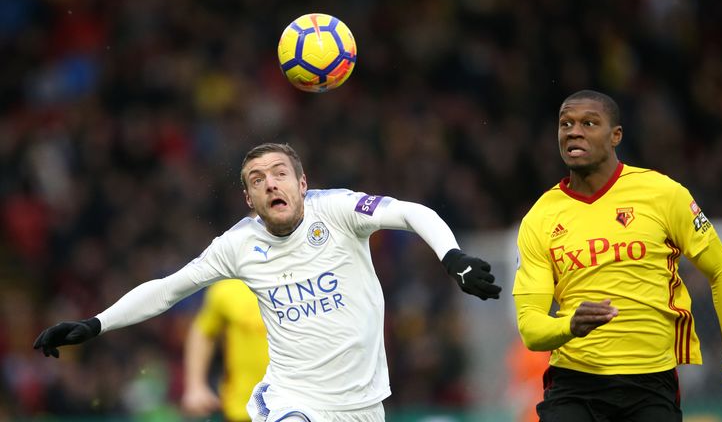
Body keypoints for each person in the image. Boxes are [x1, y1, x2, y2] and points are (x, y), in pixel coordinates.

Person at [33, 142, 501, 422]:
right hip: (291, 399)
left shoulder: (338, 211)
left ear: (302, 183)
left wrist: (452, 256)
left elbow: (409, 211)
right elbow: (168, 288)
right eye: (258, 179)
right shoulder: (237, 245)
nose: (271, 184)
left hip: (364, 403)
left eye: (280, 174)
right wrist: (96, 324)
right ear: (248, 198)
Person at [512, 89, 722, 421]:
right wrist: (571, 325)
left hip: (650, 384)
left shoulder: (663, 194)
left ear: (615, 136)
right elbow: (530, 327)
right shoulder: (539, 218)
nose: (573, 131)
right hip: (574, 384)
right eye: (566, 123)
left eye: (589, 123)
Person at [181, 279, 269, 422]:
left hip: (306, 403)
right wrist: (195, 385)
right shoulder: (229, 287)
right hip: (244, 409)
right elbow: (203, 331)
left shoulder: (312, 280)